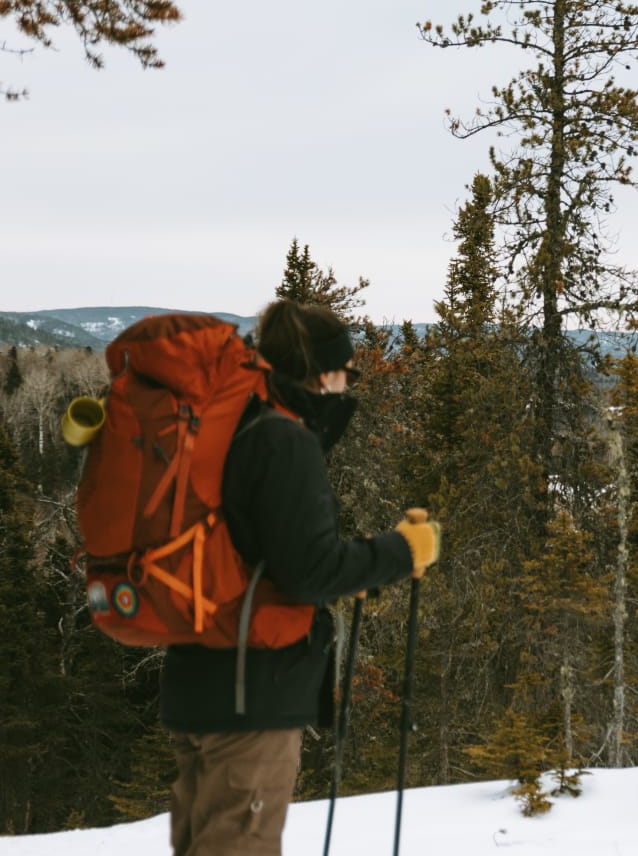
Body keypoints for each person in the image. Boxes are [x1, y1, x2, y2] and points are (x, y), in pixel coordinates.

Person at [159, 298, 439, 856]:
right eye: (348, 372)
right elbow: (309, 571)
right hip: (250, 696)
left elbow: (266, 554)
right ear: (322, 372)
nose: (347, 385)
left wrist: (345, 571)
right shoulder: (283, 438)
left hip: (202, 678)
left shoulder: (232, 421)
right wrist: (401, 552)